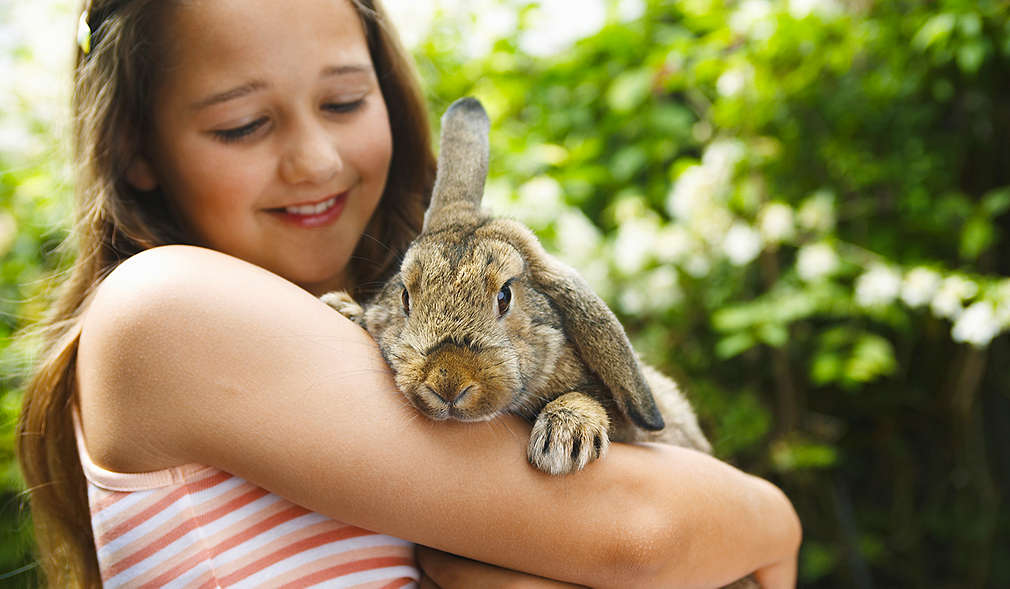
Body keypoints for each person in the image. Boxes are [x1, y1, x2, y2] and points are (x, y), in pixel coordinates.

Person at [17, 0, 802, 587]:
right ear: (134, 146)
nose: (317, 160)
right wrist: (769, 516)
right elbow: (641, 532)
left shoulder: (374, 328)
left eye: (344, 102)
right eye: (244, 125)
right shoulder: (165, 308)